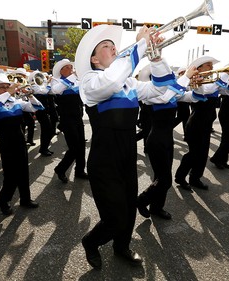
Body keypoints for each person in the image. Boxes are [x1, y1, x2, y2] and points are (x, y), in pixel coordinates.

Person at [74, 24, 177, 269]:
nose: (114, 49)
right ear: (94, 59)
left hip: (128, 154)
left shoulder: (129, 83)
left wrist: (156, 58)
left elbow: (163, 91)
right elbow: (109, 82)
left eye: (114, 46)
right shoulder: (89, 81)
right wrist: (141, 44)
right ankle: (91, 241)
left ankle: (122, 247)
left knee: (129, 209)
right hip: (104, 159)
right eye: (106, 47)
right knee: (115, 216)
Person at [137, 65, 199, 220]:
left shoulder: (170, 93)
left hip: (166, 140)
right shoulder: (150, 96)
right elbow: (165, 98)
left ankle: (156, 208)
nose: (169, 79)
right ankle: (140, 201)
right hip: (156, 141)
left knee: (161, 177)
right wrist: (186, 77)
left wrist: (198, 84)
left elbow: (192, 97)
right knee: (165, 180)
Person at [0, 73, 44, 215]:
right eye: (3, 87)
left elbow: (38, 107)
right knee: (11, 175)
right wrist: (9, 92)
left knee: (23, 171)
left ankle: (25, 199)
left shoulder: (15, 101)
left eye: (8, 86)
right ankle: (3, 199)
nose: (7, 89)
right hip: (6, 143)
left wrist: (30, 95)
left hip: (20, 141)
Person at [174, 55, 223, 191]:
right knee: (194, 153)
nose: (212, 67)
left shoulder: (213, 82)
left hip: (206, 123)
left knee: (203, 154)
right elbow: (201, 94)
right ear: (199, 68)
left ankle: (195, 178)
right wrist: (203, 82)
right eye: (208, 65)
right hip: (195, 123)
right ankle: (180, 176)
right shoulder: (195, 82)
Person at [50, 59, 88, 183]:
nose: (71, 69)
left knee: (81, 145)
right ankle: (60, 168)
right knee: (74, 147)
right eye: (67, 67)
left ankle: (80, 170)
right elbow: (56, 90)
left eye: (71, 67)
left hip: (77, 117)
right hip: (67, 119)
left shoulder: (75, 81)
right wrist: (73, 77)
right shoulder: (56, 81)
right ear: (61, 70)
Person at [28, 70, 55, 156]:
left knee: (47, 130)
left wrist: (47, 83)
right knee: (47, 129)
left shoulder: (40, 86)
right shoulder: (34, 86)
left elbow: (49, 92)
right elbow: (43, 92)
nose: (39, 79)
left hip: (45, 110)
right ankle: (43, 149)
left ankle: (44, 148)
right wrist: (49, 83)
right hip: (40, 111)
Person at [172, 67, 191, 136]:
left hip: (185, 101)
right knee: (181, 117)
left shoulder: (187, 80)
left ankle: (187, 134)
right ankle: (169, 127)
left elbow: (189, 89)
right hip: (179, 101)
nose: (184, 73)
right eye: (183, 72)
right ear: (180, 73)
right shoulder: (179, 80)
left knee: (185, 117)